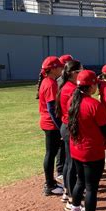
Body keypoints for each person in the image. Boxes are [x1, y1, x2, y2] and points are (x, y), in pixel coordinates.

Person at [67, 70, 106, 211]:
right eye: (96, 84)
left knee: (80, 182)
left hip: (76, 149)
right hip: (92, 152)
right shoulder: (94, 105)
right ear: (91, 85)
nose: (97, 87)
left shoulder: (73, 99)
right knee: (92, 188)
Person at [56, 59, 83, 209]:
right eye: (80, 71)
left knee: (68, 163)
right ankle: (71, 199)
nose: (81, 73)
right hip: (70, 127)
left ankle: (67, 193)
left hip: (66, 126)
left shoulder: (67, 85)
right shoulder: (71, 89)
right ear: (73, 73)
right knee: (72, 164)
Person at [36, 56, 65, 196]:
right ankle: (49, 185)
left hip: (49, 123)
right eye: (59, 67)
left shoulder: (49, 81)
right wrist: (60, 127)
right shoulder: (50, 84)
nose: (61, 69)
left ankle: (51, 183)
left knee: (51, 153)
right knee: (50, 154)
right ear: (52, 69)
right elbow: (52, 109)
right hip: (51, 124)